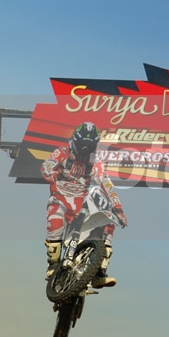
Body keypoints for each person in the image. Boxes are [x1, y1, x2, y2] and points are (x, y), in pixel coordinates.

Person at [41, 122, 128, 288]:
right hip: (60, 198)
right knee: (55, 221)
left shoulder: (96, 161)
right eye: (82, 145)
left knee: (109, 222)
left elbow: (107, 184)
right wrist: (55, 174)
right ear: (75, 141)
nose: (85, 150)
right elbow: (46, 166)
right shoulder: (63, 152)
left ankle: (100, 272)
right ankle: (53, 264)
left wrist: (118, 209)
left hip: (82, 203)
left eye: (90, 147)